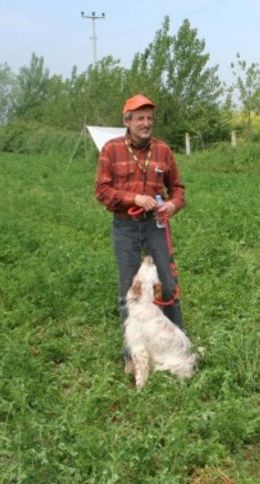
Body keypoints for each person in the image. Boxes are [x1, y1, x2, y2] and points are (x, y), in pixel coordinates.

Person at [95, 94, 186, 360]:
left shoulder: (163, 151)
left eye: (149, 118)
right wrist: (133, 198)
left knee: (168, 288)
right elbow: (101, 191)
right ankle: (132, 356)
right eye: (140, 118)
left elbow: (178, 189)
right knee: (129, 293)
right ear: (127, 121)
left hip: (156, 226)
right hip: (125, 227)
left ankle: (179, 346)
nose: (146, 123)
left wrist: (172, 205)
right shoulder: (111, 150)